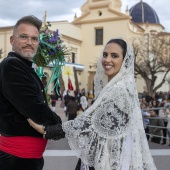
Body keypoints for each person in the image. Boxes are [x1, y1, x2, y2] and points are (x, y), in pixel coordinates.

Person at [28, 38, 157, 169]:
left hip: (109, 157)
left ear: (124, 61)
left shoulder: (119, 90)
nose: (107, 60)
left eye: (114, 56)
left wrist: (48, 130)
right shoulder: (117, 87)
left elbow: (90, 123)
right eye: (105, 55)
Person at [0, 15, 64, 170]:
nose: (29, 42)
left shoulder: (24, 66)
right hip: (16, 160)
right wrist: (59, 126)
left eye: (34, 39)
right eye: (24, 37)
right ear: (12, 40)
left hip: (26, 158)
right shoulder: (12, 66)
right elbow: (35, 109)